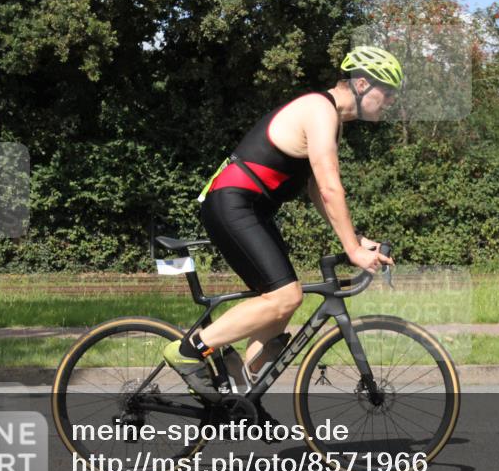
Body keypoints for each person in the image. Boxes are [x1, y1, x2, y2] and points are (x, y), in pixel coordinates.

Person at [163, 46, 400, 401]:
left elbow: (315, 192)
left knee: (280, 303)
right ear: (363, 84)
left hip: (250, 210)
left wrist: (357, 238)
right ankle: (189, 351)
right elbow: (330, 185)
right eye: (388, 92)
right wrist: (351, 250)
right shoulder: (320, 110)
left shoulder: (331, 121)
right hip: (233, 204)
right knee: (286, 296)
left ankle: (239, 391)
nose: (390, 102)